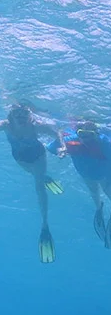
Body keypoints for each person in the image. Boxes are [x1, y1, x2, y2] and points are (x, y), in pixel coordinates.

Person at [0, 104, 66, 263]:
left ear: (30, 116)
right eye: (18, 115)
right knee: (37, 176)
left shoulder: (36, 126)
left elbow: (56, 132)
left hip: (37, 157)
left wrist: (62, 146)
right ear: (11, 116)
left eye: (24, 115)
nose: (21, 118)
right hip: (20, 159)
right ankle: (43, 177)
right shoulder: (5, 125)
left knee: (38, 186)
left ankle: (45, 224)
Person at [49, 121, 111, 249]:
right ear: (77, 133)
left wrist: (110, 179)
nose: (85, 138)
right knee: (93, 190)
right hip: (85, 172)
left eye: (89, 135)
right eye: (82, 134)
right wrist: (60, 150)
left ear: (96, 134)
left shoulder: (105, 144)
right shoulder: (70, 140)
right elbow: (51, 146)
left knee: (107, 189)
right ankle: (98, 207)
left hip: (103, 173)